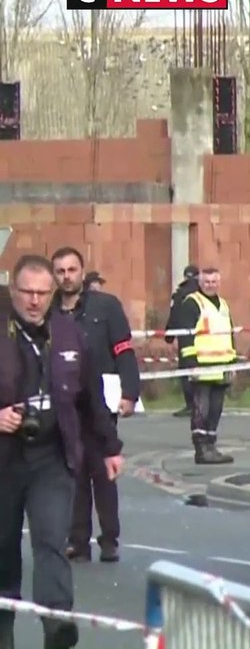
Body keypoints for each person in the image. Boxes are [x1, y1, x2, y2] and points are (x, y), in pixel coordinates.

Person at [0, 255, 124, 649]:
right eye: (27, 293)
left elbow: (89, 396)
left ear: (52, 292)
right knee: (3, 547)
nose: (34, 301)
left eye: (42, 293)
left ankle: (57, 624)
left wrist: (109, 447)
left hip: (53, 455)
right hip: (4, 459)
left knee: (51, 538)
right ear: (12, 291)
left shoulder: (67, 333)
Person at [51, 248, 140, 564]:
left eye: (71, 270)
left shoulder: (106, 306)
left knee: (103, 470)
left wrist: (130, 393)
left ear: (82, 271)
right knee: (72, 473)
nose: (66, 276)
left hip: (100, 404)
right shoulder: (51, 313)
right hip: (64, 406)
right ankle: (78, 540)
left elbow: (124, 350)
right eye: (60, 271)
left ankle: (109, 539)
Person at [172, 267, 235, 465]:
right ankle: (201, 448)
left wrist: (233, 363)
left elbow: (229, 334)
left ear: (219, 282)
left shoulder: (223, 305)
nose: (210, 285)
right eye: (207, 282)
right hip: (201, 366)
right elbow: (185, 335)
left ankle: (211, 445)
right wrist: (191, 364)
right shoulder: (192, 303)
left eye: (214, 282)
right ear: (200, 283)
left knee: (216, 409)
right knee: (201, 408)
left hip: (221, 365)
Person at [163, 265, 199, 419]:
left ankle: (191, 405)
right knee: (202, 371)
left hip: (186, 340)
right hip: (204, 338)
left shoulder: (179, 294)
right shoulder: (203, 294)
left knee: (186, 371)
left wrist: (169, 336)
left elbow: (174, 316)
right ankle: (201, 403)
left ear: (185, 277)